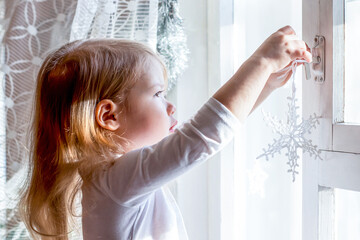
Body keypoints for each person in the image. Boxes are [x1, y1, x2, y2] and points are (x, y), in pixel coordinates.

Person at [19, 25, 312, 239]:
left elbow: (206, 132)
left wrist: (266, 83)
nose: (170, 106)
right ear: (109, 116)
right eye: (158, 94)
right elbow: (202, 137)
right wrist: (260, 63)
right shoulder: (115, 180)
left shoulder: (106, 177)